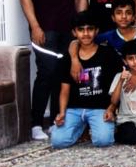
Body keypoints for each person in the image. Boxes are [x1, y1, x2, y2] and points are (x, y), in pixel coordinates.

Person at [15, 0, 87, 141]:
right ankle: (36, 123)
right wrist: (34, 26)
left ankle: (57, 120)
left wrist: (82, 27)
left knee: (64, 74)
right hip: (44, 29)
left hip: (69, 30)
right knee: (47, 72)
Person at [51, 11, 120, 149]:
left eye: (90, 29)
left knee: (103, 141)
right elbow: (64, 90)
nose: (86, 33)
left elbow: (118, 83)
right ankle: (81, 128)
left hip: (99, 108)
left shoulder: (107, 54)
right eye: (81, 30)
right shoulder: (68, 57)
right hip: (74, 109)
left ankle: (103, 126)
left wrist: (112, 108)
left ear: (96, 31)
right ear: (74, 32)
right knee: (58, 141)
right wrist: (62, 112)